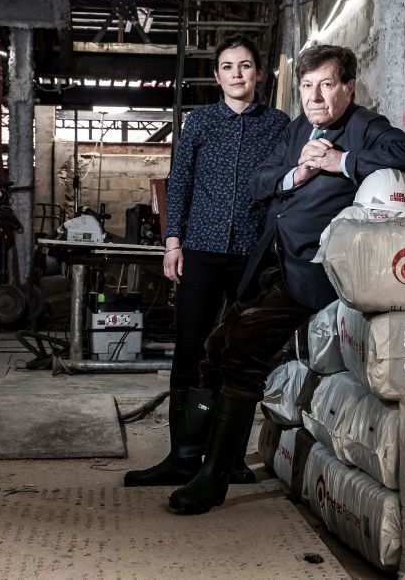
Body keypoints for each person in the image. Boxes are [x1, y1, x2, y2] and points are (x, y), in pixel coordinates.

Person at [167, 44, 405, 514]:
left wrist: (339, 162)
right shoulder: (298, 130)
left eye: (327, 85)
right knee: (213, 349)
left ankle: (213, 480)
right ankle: (187, 459)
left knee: (242, 350)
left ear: (348, 87)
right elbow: (260, 182)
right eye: (307, 86)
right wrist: (300, 171)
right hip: (270, 260)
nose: (316, 97)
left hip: (312, 269)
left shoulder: (363, 126)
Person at [124, 35, 289, 487]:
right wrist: (172, 242)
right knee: (191, 344)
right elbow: (179, 183)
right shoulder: (200, 123)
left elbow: (287, 185)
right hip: (200, 249)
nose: (237, 74)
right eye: (228, 66)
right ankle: (181, 458)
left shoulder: (279, 125)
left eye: (246, 65)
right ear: (217, 76)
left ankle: (229, 460)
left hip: (254, 256)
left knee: (240, 352)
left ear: (258, 73)